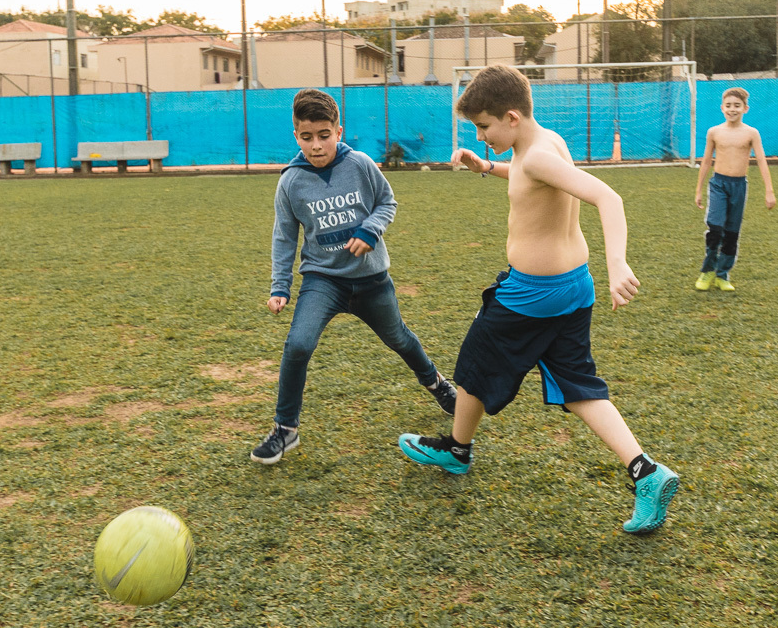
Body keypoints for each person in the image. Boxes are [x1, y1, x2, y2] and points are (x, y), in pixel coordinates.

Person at [397, 66, 678, 534]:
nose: (481, 135)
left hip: (532, 296)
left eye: (484, 127)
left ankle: (456, 450)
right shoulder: (543, 143)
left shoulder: (538, 158)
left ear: (510, 117)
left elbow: (609, 197)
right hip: (573, 288)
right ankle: (646, 472)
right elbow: (531, 176)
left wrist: (620, 263)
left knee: (472, 366)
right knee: (578, 386)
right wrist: (487, 167)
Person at [252, 88, 456, 465]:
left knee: (400, 338)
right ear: (296, 136)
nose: (316, 145)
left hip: (371, 279)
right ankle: (286, 428)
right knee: (298, 345)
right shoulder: (291, 182)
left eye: (324, 135)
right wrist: (280, 286)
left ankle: (438, 385)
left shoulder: (360, 164)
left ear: (338, 131)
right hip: (322, 281)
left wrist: (370, 230)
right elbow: (285, 236)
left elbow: (387, 202)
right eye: (307, 137)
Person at [693, 87, 776, 292]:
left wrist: (769, 191)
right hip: (718, 184)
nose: (732, 109)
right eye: (728, 106)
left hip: (739, 187)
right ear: (722, 108)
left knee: (731, 233)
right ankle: (707, 271)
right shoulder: (714, 132)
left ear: (745, 108)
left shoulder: (751, 133)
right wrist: (698, 190)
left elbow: (762, 161)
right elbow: (705, 162)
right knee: (716, 228)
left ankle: (723, 275)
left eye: (737, 106)